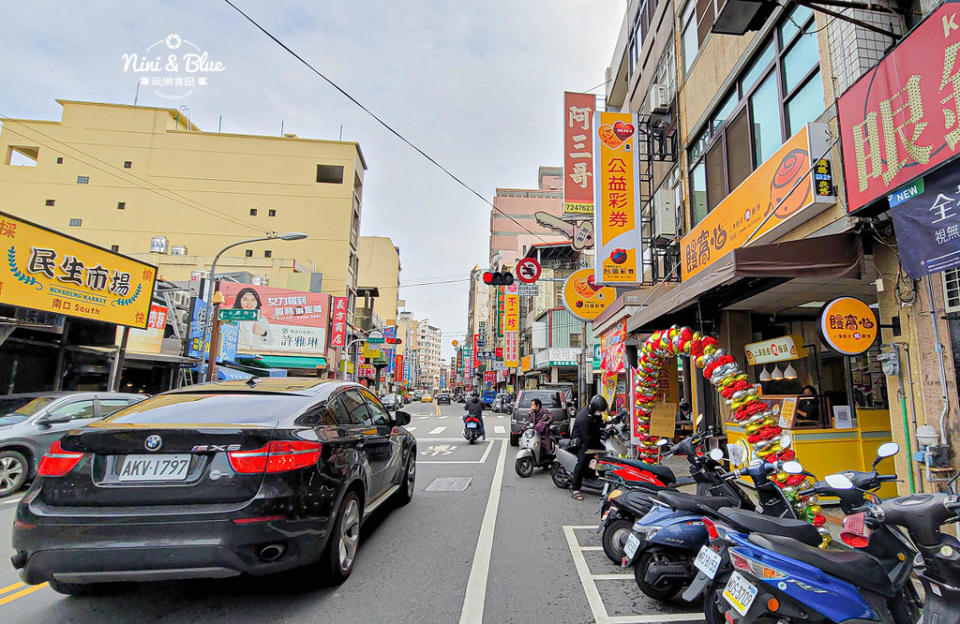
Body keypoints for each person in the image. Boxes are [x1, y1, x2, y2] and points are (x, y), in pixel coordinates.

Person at [570, 394, 607, 501]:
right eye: (599, 411)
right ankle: (575, 488)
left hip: (593, 439)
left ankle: (591, 475)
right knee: (583, 461)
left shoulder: (594, 413)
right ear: (595, 407)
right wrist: (594, 452)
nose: (600, 413)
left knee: (605, 456)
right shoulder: (583, 418)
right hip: (581, 442)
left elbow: (599, 425)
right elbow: (586, 438)